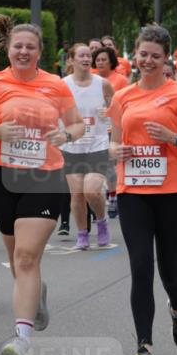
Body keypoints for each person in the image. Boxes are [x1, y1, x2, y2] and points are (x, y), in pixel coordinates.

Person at [0, 16, 84, 355]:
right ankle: (37, 293)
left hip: (45, 177)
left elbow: (77, 124)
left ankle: (21, 339)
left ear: (39, 51)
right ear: (8, 49)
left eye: (29, 47)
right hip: (3, 178)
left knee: (25, 257)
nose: (23, 51)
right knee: (19, 260)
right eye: (17, 46)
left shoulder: (56, 85)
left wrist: (66, 135)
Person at [107, 24, 177, 355]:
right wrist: (114, 150)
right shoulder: (123, 96)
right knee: (141, 267)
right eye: (143, 54)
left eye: (155, 55)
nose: (148, 60)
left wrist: (174, 138)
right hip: (133, 191)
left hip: (171, 192)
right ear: (135, 56)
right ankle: (144, 349)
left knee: (169, 271)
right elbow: (113, 143)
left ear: (166, 57)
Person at [62, 44, 114, 249]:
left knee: (91, 190)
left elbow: (118, 107)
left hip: (97, 143)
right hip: (72, 146)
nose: (86, 58)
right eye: (81, 55)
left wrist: (108, 112)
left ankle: (101, 221)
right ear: (71, 60)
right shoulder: (63, 85)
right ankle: (82, 234)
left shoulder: (102, 84)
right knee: (77, 194)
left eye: (88, 55)